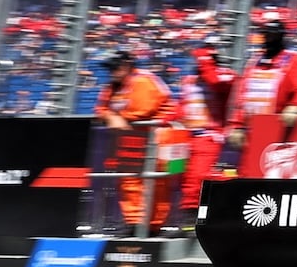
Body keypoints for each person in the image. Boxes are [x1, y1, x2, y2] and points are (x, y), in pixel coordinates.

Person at [96, 50, 173, 232]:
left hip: (160, 136)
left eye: (115, 67)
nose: (112, 71)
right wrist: (110, 116)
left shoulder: (142, 80)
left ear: (127, 65)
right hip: (133, 136)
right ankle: (134, 222)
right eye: (110, 68)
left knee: (158, 183)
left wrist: (116, 116)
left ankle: (154, 225)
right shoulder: (113, 86)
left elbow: (142, 109)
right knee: (129, 180)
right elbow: (100, 108)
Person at [226, 16, 297, 161]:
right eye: (266, 34)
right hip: (252, 132)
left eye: (273, 35)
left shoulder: (294, 60)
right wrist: (237, 126)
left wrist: (296, 106)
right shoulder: (254, 62)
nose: (269, 39)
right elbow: (242, 98)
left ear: (281, 37)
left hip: (279, 130)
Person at [173, 35, 234, 221]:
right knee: (177, 176)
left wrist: (205, 60)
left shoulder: (227, 75)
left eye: (203, 59)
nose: (198, 63)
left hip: (209, 137)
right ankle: (184, 219)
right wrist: (169, 119)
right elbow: (183, 105)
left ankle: (193, 219)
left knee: (198, 177)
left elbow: (215, 82)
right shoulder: (189, 80)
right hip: (183, 139)